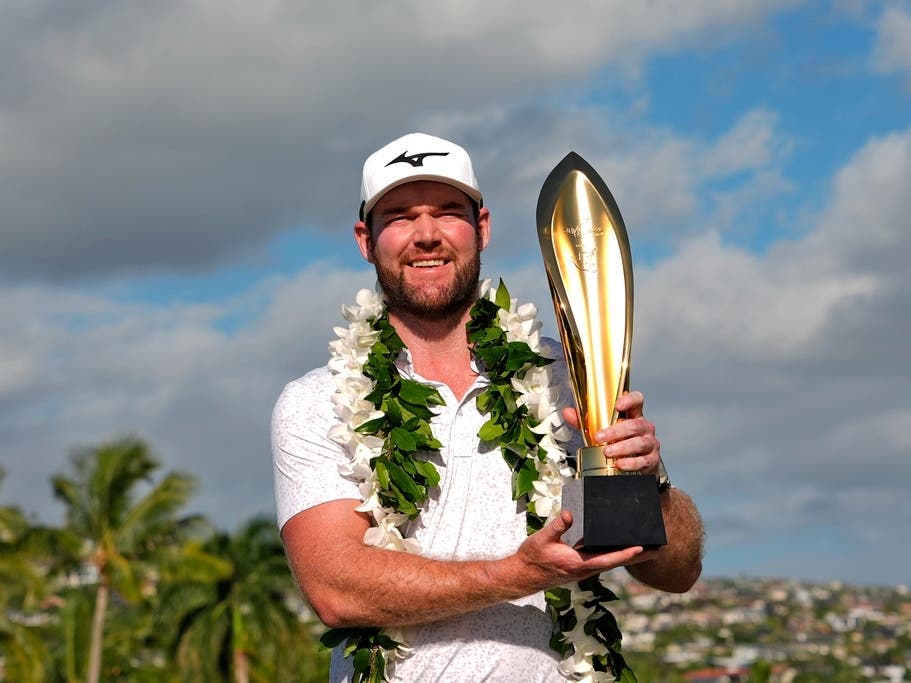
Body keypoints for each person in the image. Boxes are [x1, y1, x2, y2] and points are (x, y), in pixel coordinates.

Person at [272, 132, 704, 682]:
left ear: (482, 228)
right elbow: (336, 589)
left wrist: (648, 482)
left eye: (448, 212)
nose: (426, 235)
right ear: (365, 238)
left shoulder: (570, 376)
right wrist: (521, 573)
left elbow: (678, 571)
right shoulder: (318, 399)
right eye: (401, 216)